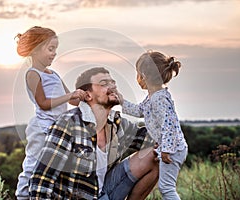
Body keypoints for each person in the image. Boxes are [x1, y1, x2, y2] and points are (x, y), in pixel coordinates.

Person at [29, 67, 159, 200]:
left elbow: (155, 138)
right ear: (88, 95)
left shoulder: (117, 123)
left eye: (113, 82)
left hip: (105, 193)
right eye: (104, 84)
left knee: (154, 155)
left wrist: (161, 104)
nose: (112, 86)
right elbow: (41, 180)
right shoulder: (68, 124)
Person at [14, 26, 86, 200]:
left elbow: (73, 100)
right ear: (36, 49)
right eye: (50, 49)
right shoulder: (33, 74)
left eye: (55, 49)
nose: (54, 53)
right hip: (41, 127)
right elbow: (44, 104)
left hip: (57, 127)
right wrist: (70, 95)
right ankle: (22, 196)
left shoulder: (53, 74)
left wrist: (85, 94)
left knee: (53, 166)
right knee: (33, 163)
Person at [121, 51, 188, 200]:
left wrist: (166, 149)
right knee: (166, 187)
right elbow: (139, 111)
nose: (136, 78)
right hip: (171, 148)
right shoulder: (154, 96)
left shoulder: (159, 99)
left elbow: (169, 125)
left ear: (143, 76)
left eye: (137, 74)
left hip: (173, 150)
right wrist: (120, 101)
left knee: (167, 188)